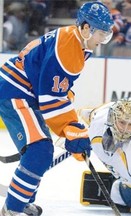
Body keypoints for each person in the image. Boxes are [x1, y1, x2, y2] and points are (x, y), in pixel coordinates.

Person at [0, 2, 114, 216]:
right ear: (86, 28)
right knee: (39, 150)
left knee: (37, 151)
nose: (102, 40)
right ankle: (12, 210)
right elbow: (51, 99)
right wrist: (70, 130)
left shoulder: (76, 41)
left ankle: (21, 197)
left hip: (26, 92)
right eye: (101, 34)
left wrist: (72, 127)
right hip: (15, 92)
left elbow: (59, 90)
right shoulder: (68, 48)